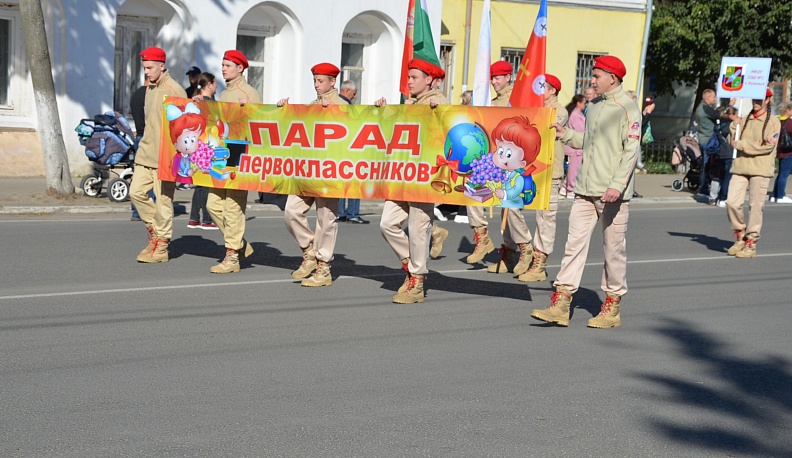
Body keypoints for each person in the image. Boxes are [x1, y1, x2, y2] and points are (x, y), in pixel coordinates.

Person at [531, 55, 640, 328]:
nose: (592, 80)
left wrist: (617, 185)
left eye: (597, 76)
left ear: (612, 78)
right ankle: (561, 303)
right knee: (573, 246)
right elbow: (588, 141)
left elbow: (631, 151)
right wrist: (565, 134)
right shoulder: (594, 105)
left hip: (612, 194)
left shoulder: (628, 108)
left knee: (613, 251)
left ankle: (612, 307)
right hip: (584, 191)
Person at [373, 58, 448, 303]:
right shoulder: (410, 104)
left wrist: (440, 111)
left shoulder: (439, 102)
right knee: (387, 224)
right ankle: (411, 264)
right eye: (408, 77)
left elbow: (451, 128)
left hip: (424, 178)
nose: (409, 82)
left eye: (414, 78)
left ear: (429, 80)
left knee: (417, 229)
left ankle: (417, 282)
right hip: (402, 174)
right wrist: (383, 112)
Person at [277, 63, 347, 286]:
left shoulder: (343, 105)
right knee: (291, 211)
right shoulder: (312, 105)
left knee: (326, 220)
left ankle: (323, 268)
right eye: (315, 81)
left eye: (320, 81)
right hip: (307, 170)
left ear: (332, 82)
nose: (316, 85)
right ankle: (309, 250)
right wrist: (284, 112)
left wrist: (333, 113)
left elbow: (351, 137)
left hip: (331, 173)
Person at [206, 50, 262, 273]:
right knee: (212, 205)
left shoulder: (249, 93)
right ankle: (239, 244)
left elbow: (259, 125)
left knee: (233, 208)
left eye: (228, 65)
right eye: (222, 65)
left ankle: (232, 257)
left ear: (240, 68)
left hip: (240, 156)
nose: (223, 68)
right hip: (221, 156)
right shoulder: (224, 94)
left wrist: (248, 111)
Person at [130, 47, 187, 263]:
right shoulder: (150, 89)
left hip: (165, 158)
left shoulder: (174, 90)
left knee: (163, 202)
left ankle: (161, 246)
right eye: (144, 68)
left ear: (162, 66)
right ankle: (155, 232)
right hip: (145, 154)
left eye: (150, 68)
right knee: (136, 193)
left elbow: (184, 127)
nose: (146, 72)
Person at [517, 73, 568, 283]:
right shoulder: (533, 108)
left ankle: (540, 262)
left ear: (552, 91)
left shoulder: (560, 111)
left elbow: (547, 127)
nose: (537, 91)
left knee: (545, 218)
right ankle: (524, 245)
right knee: (511, 206)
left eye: (541, 87)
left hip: (550, 171)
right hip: (528, 169)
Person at [725, 88, 781, 258]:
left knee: (755, 206)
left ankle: (751, 243)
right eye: (754, 99)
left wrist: (742, 145)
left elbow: (768, 146)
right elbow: (732, 142)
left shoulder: (773, 121)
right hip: (741, 167)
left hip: (760, 169)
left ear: (767, 100)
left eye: (759, 100)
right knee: (731, 202)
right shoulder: (745, 119)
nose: (755, 103)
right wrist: (734, 126)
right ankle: (740, 234)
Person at [187, 72, 219, 230]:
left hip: (196, 146)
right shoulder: (210, 103)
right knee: (206, 184)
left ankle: (194, 218)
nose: (216, 86)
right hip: (207, 147)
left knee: (199, 184)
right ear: (210, 85)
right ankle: (206, 219)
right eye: (215, 83)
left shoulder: (195, 101)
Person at [336, 79, 368, 224]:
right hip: (351, 150)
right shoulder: (347, 106)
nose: (355, 97)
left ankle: (340, 212)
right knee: (354, 181)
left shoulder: (334, 103)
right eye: (354, 93)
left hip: (339, 150)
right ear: (347, 91)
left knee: (342, 182)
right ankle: (353, 213)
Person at [695, 89, 721, 196]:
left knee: (706, 164)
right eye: (714, 97)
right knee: (706, 165)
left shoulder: (701, 107)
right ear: (708, 97)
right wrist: (729, 106)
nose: (715, 99)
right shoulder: (705, 108)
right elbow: (718, 115)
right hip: (708, 140)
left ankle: (704, 187)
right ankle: (703, 189)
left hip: (703, 139)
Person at [709, 107, 737, 207]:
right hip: (728, 153)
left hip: (719, 153)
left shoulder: (720, 123)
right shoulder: (730, 126)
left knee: (718, 176)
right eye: (736, 115)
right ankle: (723, 198)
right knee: (727, 177)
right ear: (732, 115)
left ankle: (714, 197)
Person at [561, 94, 586, 199]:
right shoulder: (576, 115)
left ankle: (564, 188)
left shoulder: (574, 113)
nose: (585, 105)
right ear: (578, 103)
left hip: (573, 147)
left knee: (572, 168)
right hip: (576, 148)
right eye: (584, 103)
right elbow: (580, 131)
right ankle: (570, 189)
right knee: (574, 169)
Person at [129, 84, 147, 222]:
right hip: (148, 137)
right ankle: (149, 210)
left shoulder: (135, 94)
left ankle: (136, 210)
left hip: (139, 136)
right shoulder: (151, 94)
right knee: (150, 176)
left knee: (138, 175)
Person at [770, 101, 792, 203]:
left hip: (780, 150)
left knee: (780, 174)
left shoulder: (779, 120)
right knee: (784, 174)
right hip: (788, 151)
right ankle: (780, 196)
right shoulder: (789, 122)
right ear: (788, 110)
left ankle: (774, 195)